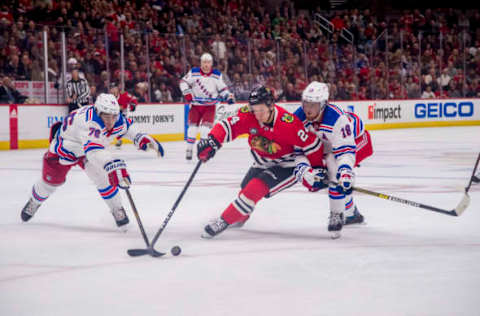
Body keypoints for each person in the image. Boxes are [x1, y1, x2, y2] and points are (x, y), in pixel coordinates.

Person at [196, 86, 334, 238]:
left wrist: (318, 169)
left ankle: (223, 221)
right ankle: (241, 216)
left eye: (261, 110)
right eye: (254, 110)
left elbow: (312, 144)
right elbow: (227, 126)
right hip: (262, 161)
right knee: (245, 188)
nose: (257, 114)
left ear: (271, 106)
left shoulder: (288, 123)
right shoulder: (249, 115)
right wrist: (212, 141)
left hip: (286, 166)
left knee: (254, 189)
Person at [20, 93, 164, 230]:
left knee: (104, 179)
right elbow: (94, 151)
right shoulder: (89, 122)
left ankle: (116, 208)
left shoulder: (115, 117)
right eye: (106, 117)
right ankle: (34, 201)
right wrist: (111, 164)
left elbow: (127, 127)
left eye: (113, 116)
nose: (110, 121)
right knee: (50, 183)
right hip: (64, 149)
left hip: (88, 151)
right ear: (98, 112)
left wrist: (139, 137)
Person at [294, 81, 373, 230]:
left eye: (313, 105)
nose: (308, 109)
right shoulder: (298, 117)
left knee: (336, 172)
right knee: (337, 178)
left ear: (323, 104)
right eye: (306, 104)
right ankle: (351, 214)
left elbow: (346, 150)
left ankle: (338, 213)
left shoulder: (336, 118)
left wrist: (345, 170)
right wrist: (304, 168)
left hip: (357, 141)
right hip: (329, 145)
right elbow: (299, 150)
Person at [179, 52, 235, 160]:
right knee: (192, 129)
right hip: (195, 106)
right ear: (201, 63)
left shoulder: (217, 75)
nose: (206, 65)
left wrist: (228, 97)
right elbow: (183, 82)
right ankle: (189, 149)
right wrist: (187, 92)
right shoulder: (194, 72)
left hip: (209, 107)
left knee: (205, 130)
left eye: (208, 62)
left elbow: (223, 89)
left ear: (211, 63)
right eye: (204, 62)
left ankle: (202, 150)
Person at [109, 83, 138, 148]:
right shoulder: (108, 98)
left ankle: (121, 139)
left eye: (114, 88)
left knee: (123, 128)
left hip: (123, 116)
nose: (113, 90)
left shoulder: (124, 95)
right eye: (111, 89)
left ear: (117, 89)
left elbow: (134, 99)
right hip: (112, 116)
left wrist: (133, 105)